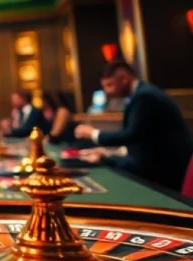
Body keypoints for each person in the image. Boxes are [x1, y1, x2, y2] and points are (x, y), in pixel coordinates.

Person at [75, 61, 193, 191]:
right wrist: (106, 152)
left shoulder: (145, 96)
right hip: (158, 164)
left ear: (124, 79)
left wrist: (93, 134)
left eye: (110, 85)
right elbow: (140, 139)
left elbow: (129, 135)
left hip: (167, 172)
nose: (107, 92)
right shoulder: (141, 94)